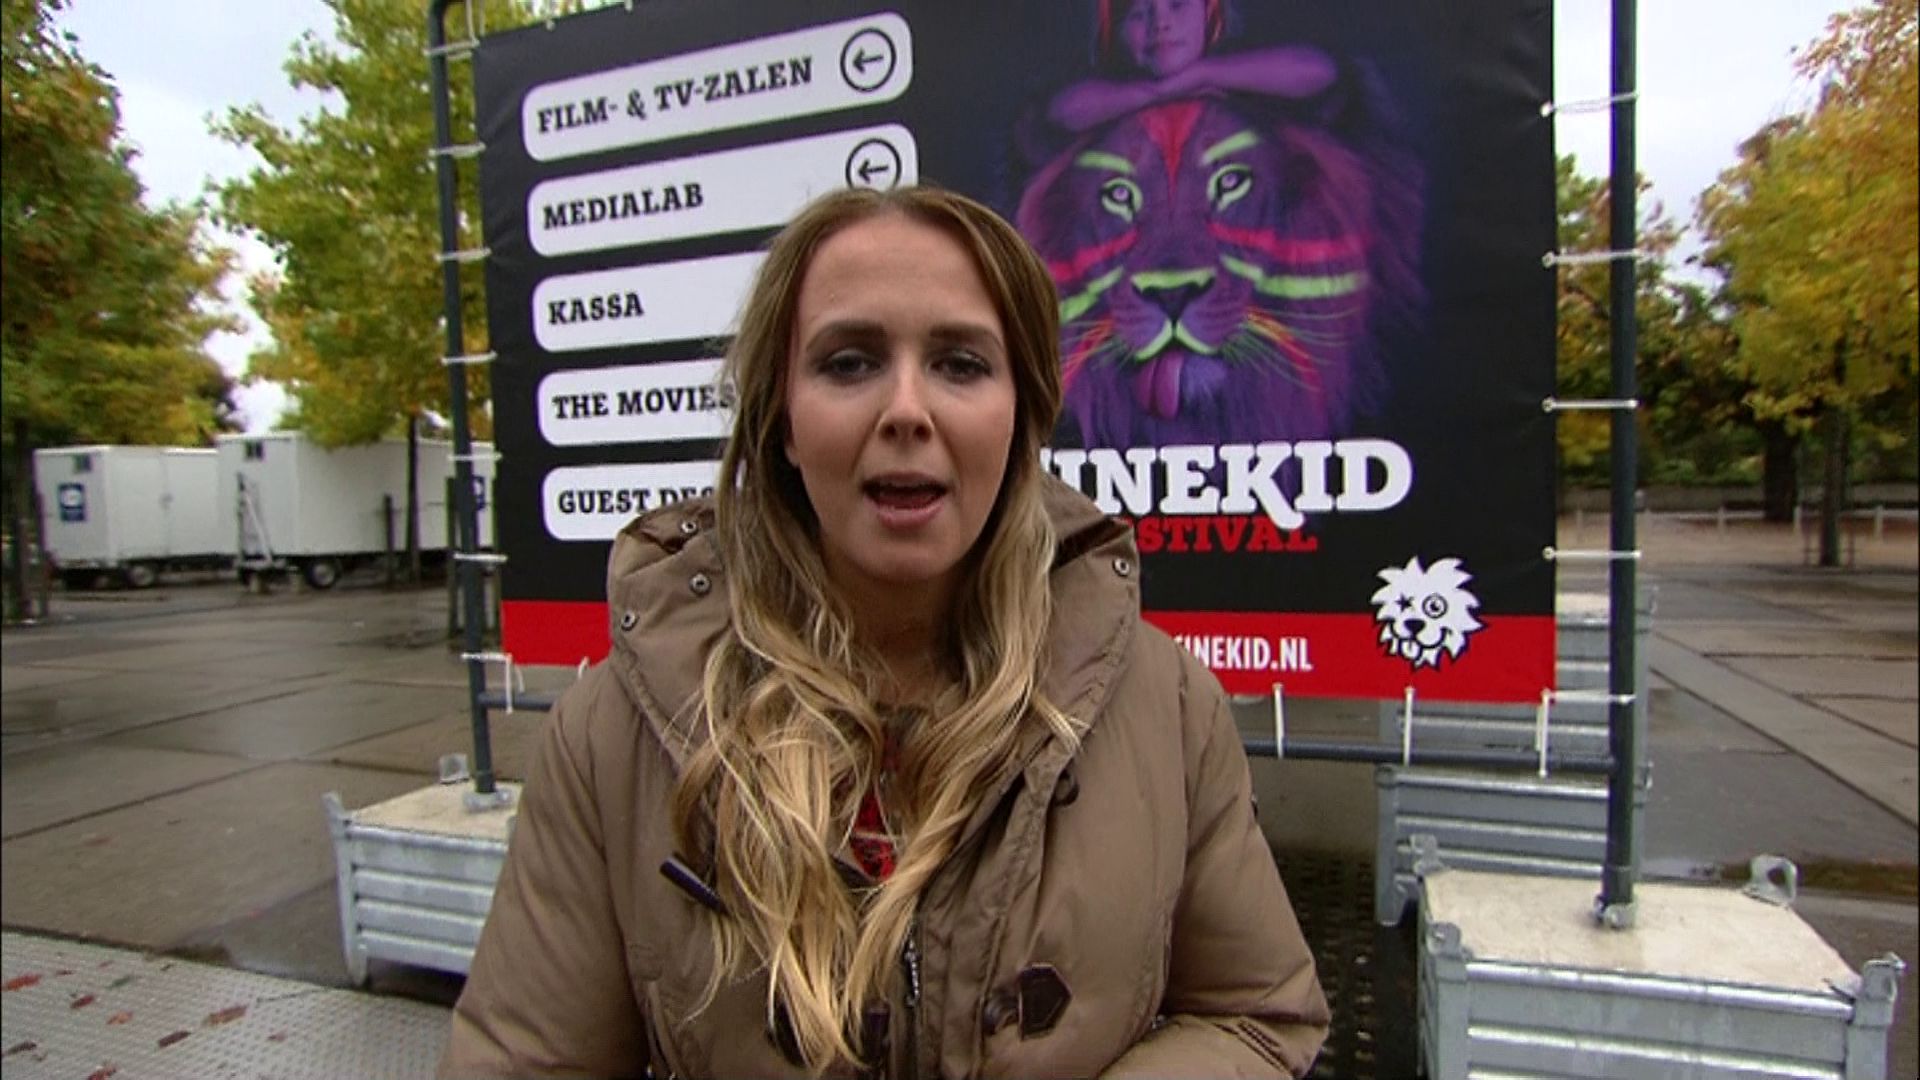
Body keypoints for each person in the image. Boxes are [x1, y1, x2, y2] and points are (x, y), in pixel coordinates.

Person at [440, 185, 1329, 1078]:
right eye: (850, 362)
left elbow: (1255, 1017)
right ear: (783, 421)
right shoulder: (612, 736)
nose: (907, 410)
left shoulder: (1169, 707)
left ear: (1020, 415)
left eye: (960, 364)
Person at [1043, 0, 1337, 138]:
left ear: (1208, 13)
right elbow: (1063, 113)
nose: (1160, 24)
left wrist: (1204, 73)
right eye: (1138, 14)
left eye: (1177, 5)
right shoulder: (1106, 86)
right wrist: (1162, 90)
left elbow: (1317, 71)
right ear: (1114, 32)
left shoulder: (1239, 68)